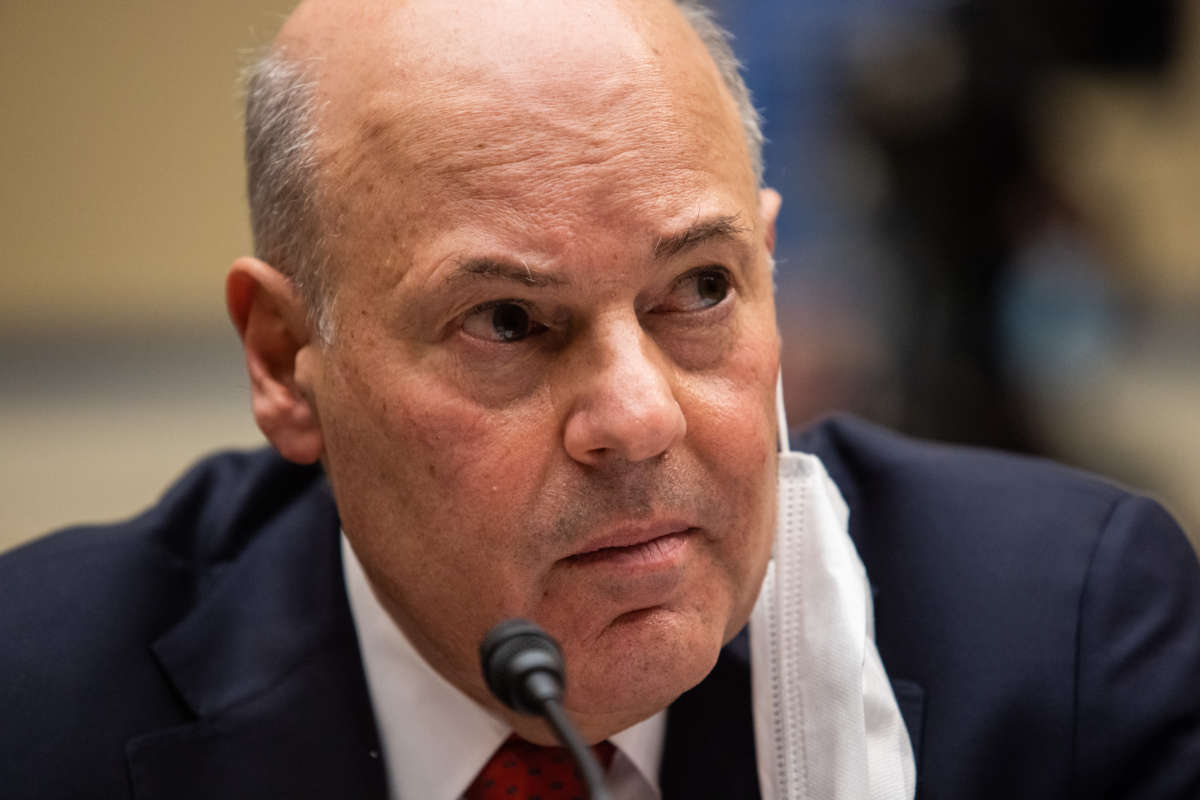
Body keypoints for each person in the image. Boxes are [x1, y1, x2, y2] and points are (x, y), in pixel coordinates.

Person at [1, 1, 1198, 798]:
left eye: (702, 288)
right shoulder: (39, 700)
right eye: (508, 320)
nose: (639, 417)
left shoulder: (1071, 644)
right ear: (282, 358)